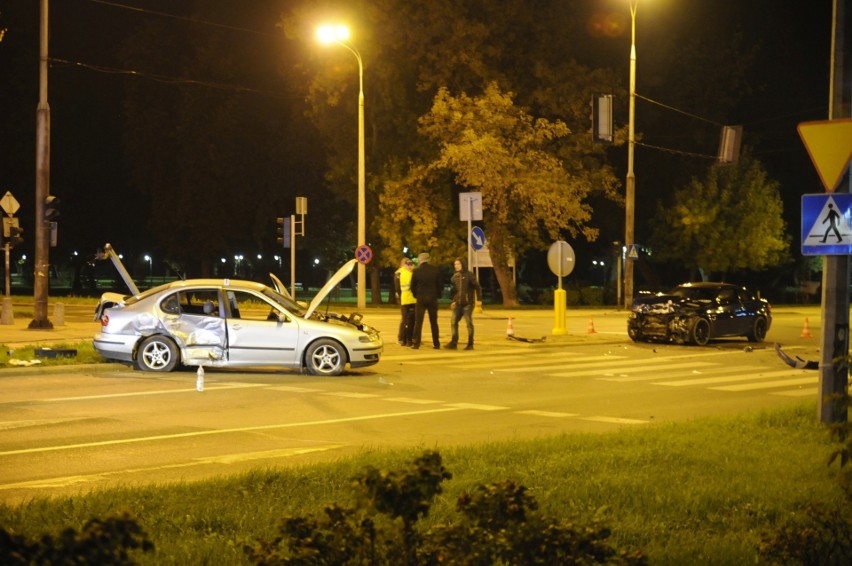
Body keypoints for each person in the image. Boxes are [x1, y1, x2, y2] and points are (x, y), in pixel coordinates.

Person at [445, 257, 481, 350]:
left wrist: (479, 300)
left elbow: (477, 287)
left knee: (469, 323)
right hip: (458, 304)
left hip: (468, 304)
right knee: (453, 322)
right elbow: (456, 291)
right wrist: (454, 301)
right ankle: (454, 342)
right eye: (455, 264)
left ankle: (470, 344)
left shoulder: (470, 275)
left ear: (463, 264)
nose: (456, 266)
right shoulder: (455, 276)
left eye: (458, 264)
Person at [410, 252, 442, 349]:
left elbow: (412, 286)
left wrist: (417, 295)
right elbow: (440, 285)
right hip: (432, 298)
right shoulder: (436, 270)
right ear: (429, 259)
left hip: (421, 298)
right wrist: (437, 295)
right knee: (434, 322)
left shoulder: (416, 271)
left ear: (420, 260)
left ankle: (416, 343)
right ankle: (436, 343)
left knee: (418, 322)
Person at [393, 257, 416, 346]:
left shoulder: (398, 273)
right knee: (407, 319)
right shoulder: (402, 273)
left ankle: (403, 338)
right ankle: (404, 338)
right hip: (406, 298)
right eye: (407, 264)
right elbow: (399, 288)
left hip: (404, 298)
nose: (409, 267)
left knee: (405, 319)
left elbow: (397, 288)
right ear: (403, 264)